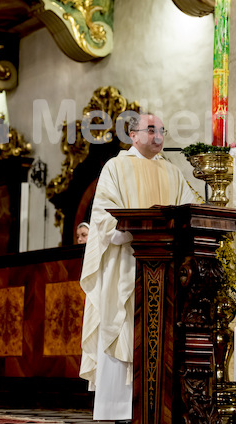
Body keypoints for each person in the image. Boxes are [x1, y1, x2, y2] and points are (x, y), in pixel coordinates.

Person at [79, 113, 195, 423]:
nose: (159, 137)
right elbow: (103, 217)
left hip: (164, 271)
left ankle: (158, 408)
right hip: (125, 266)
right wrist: (136, 230)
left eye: (162, 131)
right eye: (152, 130)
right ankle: (117, 410)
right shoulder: (116, 167)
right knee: (121, 329)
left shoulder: (173, 172)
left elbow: (188, 212)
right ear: (133, 135)